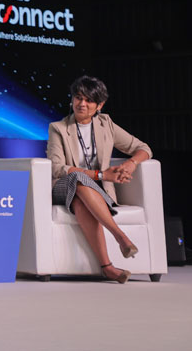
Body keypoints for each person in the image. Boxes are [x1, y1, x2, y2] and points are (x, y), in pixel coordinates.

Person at [47, 75, 151, 284]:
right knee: (77, 178)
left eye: (89, 100)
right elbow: (57, 168)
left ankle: (107, 268)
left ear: (100, 105)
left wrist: (130, 164)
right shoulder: (58, 128)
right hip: (62, 187)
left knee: (80, 202)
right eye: (78, 98)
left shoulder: (106, 124)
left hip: (93, 193)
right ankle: (120, 236)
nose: (82, 104)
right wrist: (101, 175)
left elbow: (143, 148)